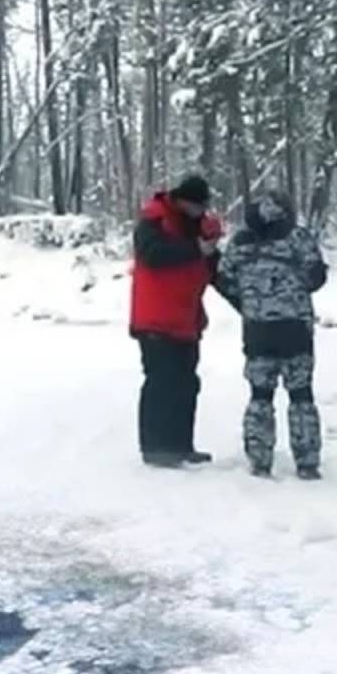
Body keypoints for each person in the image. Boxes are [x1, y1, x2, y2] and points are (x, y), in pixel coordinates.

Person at [213, 187, 328, 479]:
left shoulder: (240, 241)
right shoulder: (298, 238)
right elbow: (317, 277)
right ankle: (307, 462)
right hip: (296, 330)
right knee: (301, 395)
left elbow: (223, 279)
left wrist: (250, 302)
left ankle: (260, 460)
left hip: (257, 331)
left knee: (260, 396)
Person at [129, 173, 222, 468]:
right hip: (155, 319)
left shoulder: (196, 226)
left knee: (186, 384)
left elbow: (212, 268)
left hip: (186, 319)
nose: (202, 212)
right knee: (161, 383)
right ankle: (156, 448)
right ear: (183, 201)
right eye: (198, 206)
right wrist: (197, 249)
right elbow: (152, 254)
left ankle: (181, 445)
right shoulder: (153, 220)